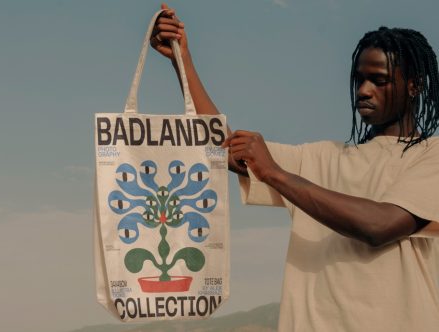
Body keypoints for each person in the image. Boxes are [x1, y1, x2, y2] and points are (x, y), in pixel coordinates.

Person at [150, 4, 439, 331]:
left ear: (413, 85)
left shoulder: (431, 156)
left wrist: (276, 173)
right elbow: (227, 149)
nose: (363, 91)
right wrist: (182, 60)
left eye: (379, 80)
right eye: (358, 79)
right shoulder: (322, 157)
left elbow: (381, 226)